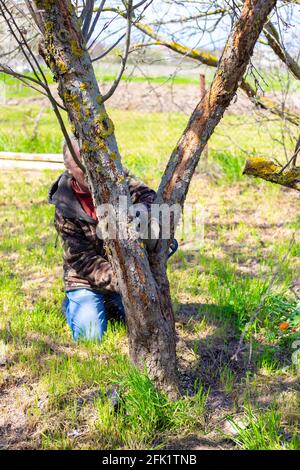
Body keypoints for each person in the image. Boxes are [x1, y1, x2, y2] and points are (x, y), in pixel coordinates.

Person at [48, 138, 177, 342]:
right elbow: (83, 261)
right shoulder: (65, 206)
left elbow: (148, 196)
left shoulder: (115, 180)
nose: (90, 173)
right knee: (90, 338)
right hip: (85, 280)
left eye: (92, 164)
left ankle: (111, 303)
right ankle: (74, 304)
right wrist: (125, 280)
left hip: (123, 274)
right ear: (69, 167)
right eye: (82, 168)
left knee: (149, 324)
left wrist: (142, 210)